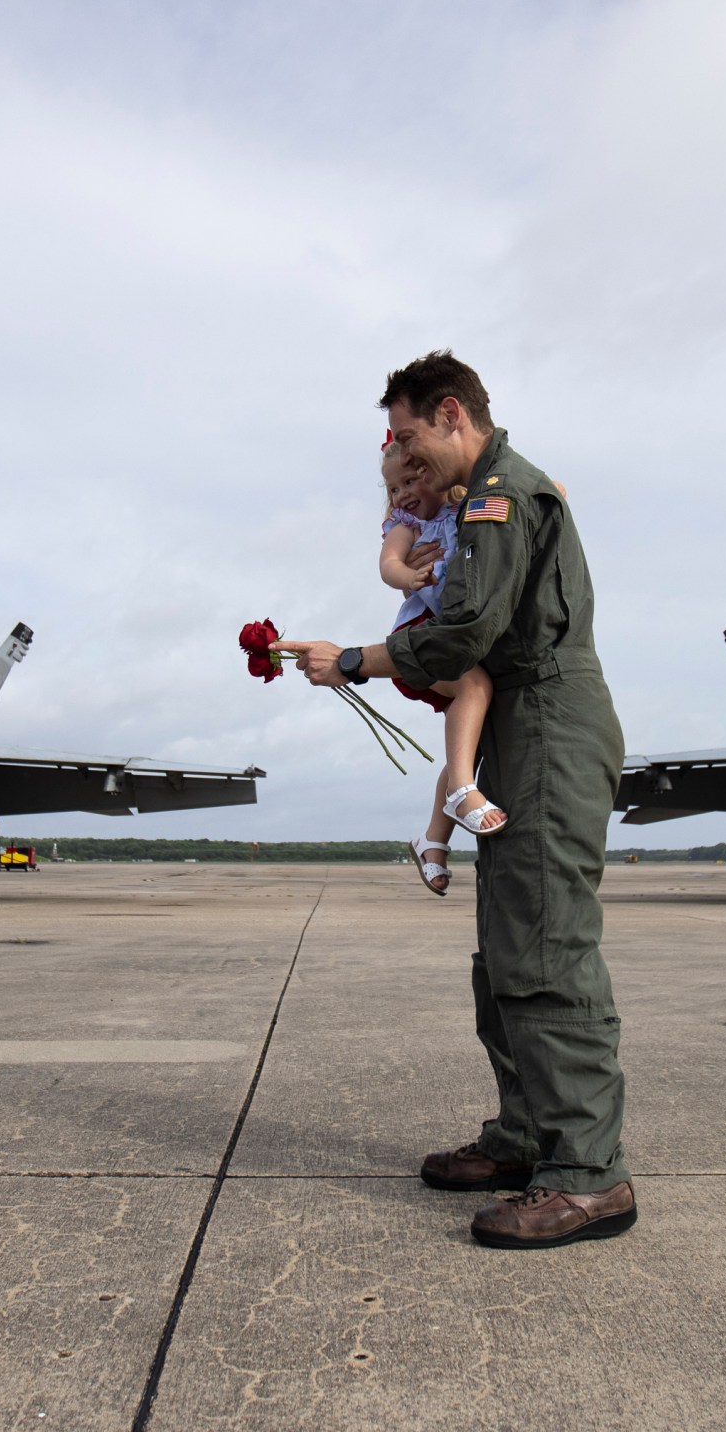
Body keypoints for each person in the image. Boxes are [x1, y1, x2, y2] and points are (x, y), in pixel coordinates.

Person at [274, 351, 634, 1250]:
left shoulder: (501, 495)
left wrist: (357, 660)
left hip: (548, 716)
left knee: (546, 945)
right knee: (509, 948)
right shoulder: (478, 501)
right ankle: (528, 1138)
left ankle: (589, 1174)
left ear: (448, 415)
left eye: (404, 438)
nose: (401, 458)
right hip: (519, 720)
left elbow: (468, 625)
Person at [379, 436, 506, 894]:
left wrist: (546, 488)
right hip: (420, 637)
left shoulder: (468, 507)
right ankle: (460, 792)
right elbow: (388, 564)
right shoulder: (407, 525)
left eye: (411, 479)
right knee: (473, 690)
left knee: (467, 745)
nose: (402, 493)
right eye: (393, 487)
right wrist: (407, 576)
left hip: (459, 637)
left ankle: (433, 842)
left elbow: (515, 495)